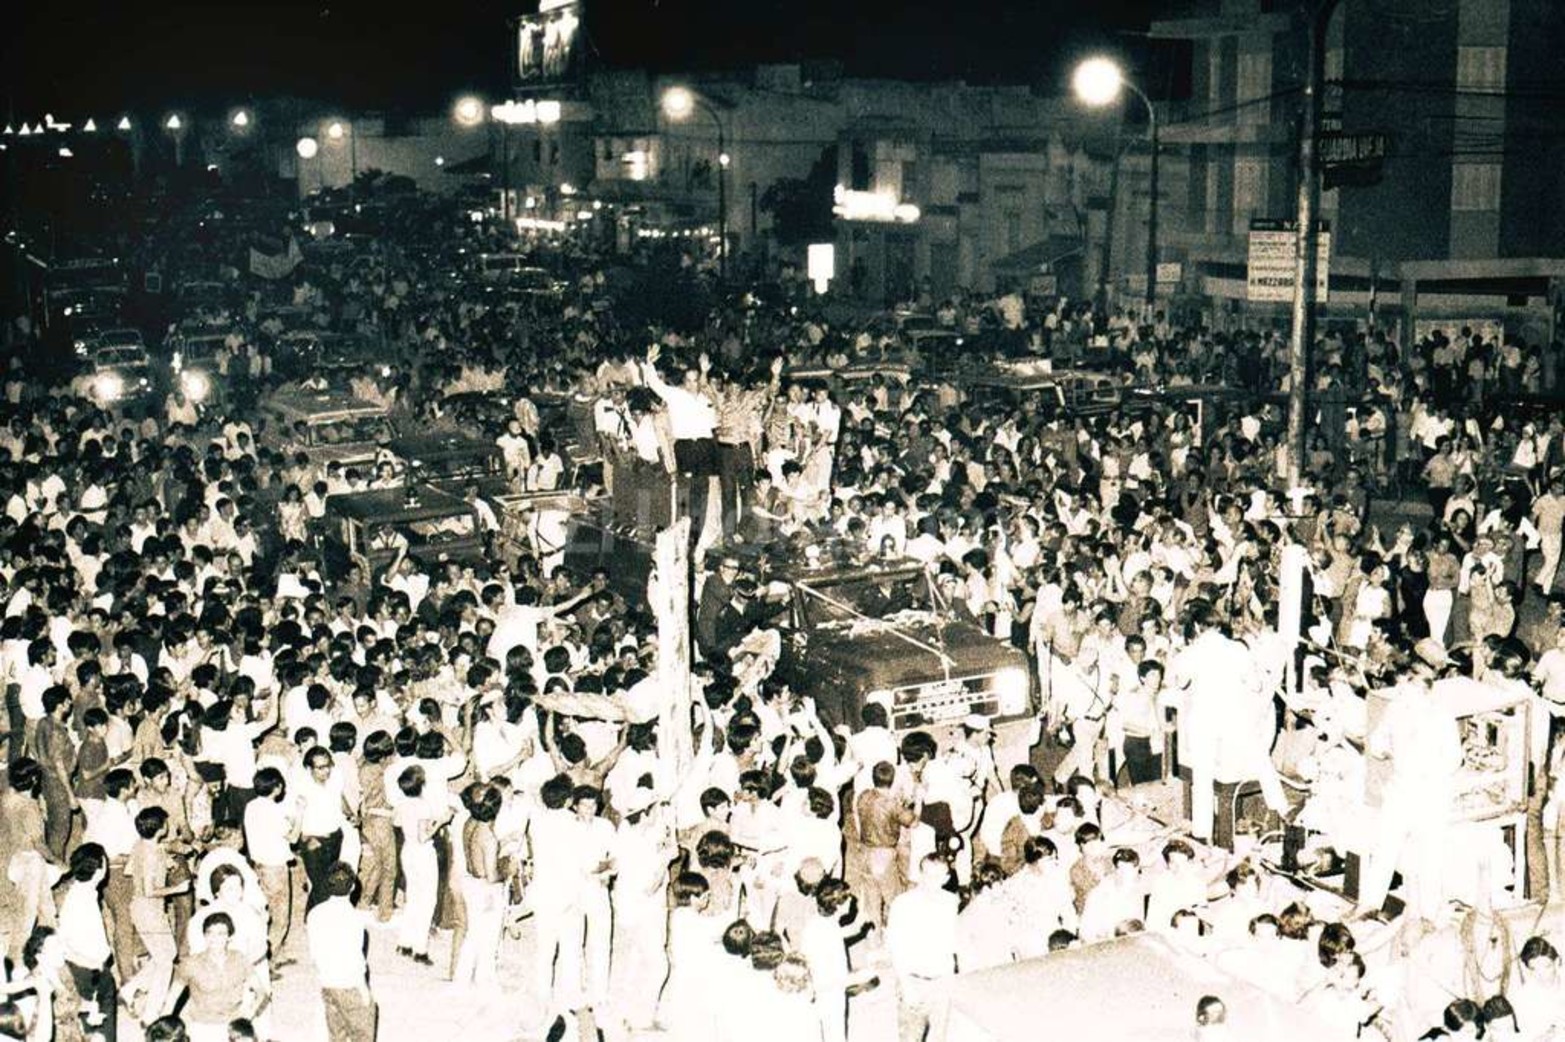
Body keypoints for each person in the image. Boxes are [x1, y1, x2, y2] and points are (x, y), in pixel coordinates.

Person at [886, 853, 958, 1042]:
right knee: (911, 1036)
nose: (930, 881)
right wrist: (906, 984)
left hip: (942, 982)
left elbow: (953, 942)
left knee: (938, 1036)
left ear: (946, 879)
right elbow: (895, 947)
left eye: (937, 876)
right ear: (920, 874)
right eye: (927, 874)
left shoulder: (951, 902)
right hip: (913, 981)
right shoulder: (903, 904)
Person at [306, 863, 376, 1042]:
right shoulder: (354, 919)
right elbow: (356, 960)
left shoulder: (314, 914)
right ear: (352, 887)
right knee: (363, 1035)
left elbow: (314, 954)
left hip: (327, 983)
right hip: (350, 985)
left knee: (336, 1034)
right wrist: (364, 991)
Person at [172, 913, 264, 1042]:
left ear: (229, 937)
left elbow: (261, 992)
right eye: (210, 933)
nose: (214, 938)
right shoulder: (191, 963)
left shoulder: (239, 958)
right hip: (201, 1026)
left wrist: (247, 1017)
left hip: (233, 1025)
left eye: (221, 934)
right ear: (204, 936)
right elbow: (172, 997)